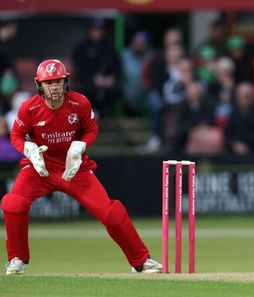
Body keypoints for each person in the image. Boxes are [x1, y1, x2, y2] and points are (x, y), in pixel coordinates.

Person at [1, 59, 161, 275]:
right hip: (40, 168)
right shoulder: (29, 108)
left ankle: (140, 261)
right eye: (49, 83)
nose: (54, 87)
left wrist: (81, 145)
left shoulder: (80, 103)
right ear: (40, 85)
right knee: (13, 203)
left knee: (111, 213)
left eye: (58, 82)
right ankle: (17, 259)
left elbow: (91, 129)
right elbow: (16, 135)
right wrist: (28, 149)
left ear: (65, 82)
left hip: (74, 168)